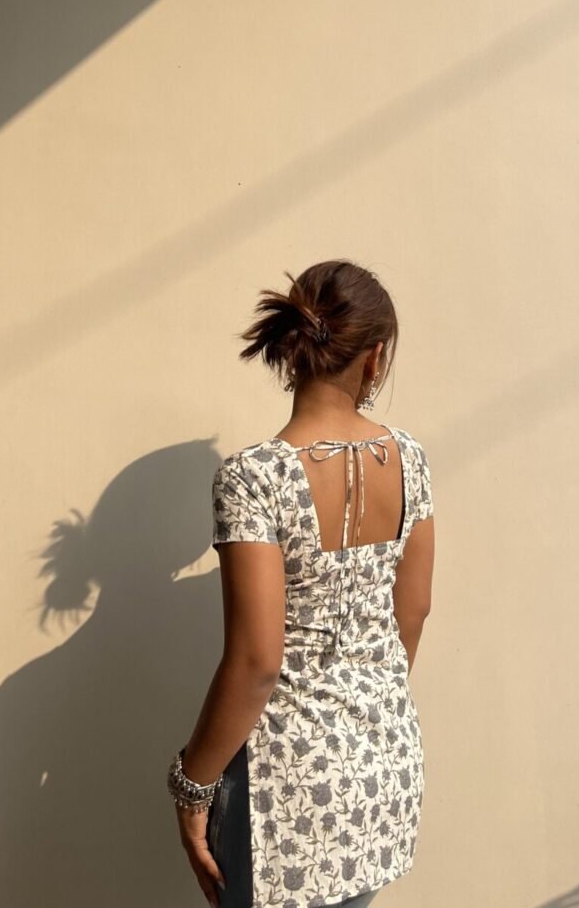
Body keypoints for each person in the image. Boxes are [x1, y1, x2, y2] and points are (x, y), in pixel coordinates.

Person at [169, 259, 435, 908]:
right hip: (382, 770)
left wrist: (191, 787)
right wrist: (363, 708)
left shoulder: (253, 478)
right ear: (375, 358)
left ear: (293, 344)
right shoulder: (410, 461)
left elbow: (258, 662)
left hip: (284, 789)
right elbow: (414, 612)